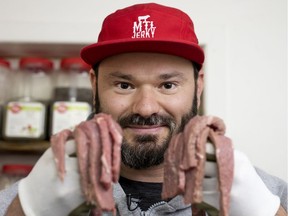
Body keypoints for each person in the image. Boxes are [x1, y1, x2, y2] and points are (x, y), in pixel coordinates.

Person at [0, 3, 287, 216]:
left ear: (198, 85)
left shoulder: (271, 196)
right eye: (124, 85)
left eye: (168, 85)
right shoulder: (23, 200)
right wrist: (26, 210)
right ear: (94, 84)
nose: (146, 108)